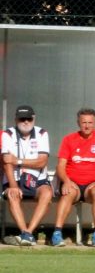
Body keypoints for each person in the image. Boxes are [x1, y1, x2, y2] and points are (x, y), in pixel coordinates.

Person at [51, 108, 95, 247]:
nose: (87, 125)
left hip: (93, 184)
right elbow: (61, 165)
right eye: (84, 122)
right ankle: (57, 234)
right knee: (68, 192)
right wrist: (65, 181)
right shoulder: (69, 139)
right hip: (72, 183)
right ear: (78, 122)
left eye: (90, 122)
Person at [1, 105, 52, 246]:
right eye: (22, 119)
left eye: (29, 118)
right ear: (16, 119)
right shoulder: (8, 134)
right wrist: (13, 185)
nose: (26, 122)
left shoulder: (42, 133)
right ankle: (25, 232)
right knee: (12, 193)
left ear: (33, 119)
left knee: (47, 193)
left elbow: (42, 162)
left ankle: (28, 232)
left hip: (38, 179)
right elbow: (6, 162)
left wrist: (17, 160)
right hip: (14, 179)